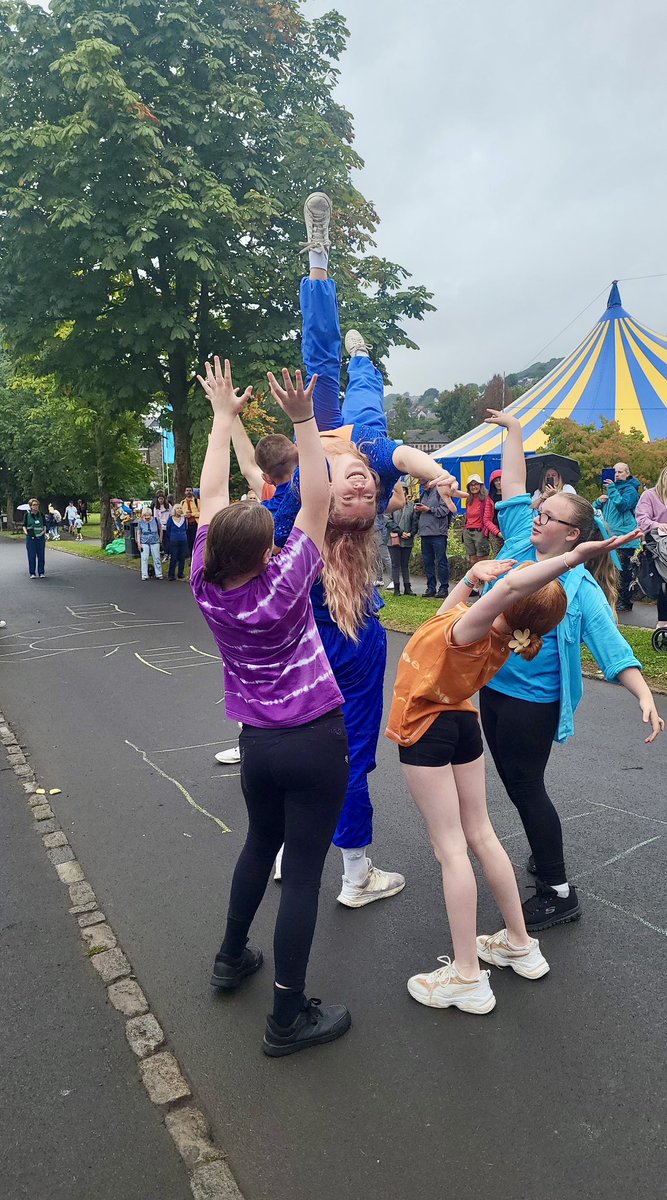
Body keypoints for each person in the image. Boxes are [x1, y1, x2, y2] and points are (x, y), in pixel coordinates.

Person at [270, 191, 458, 907]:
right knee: (368, 397)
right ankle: (352, 873)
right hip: (347, 635)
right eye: (361, 488)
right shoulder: (361, 465)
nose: (358, 485)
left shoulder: (307, 496)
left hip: (315, 634)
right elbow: (399, 453)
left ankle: (319, 264)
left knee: (322, 363)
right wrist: (434, 472)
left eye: (360, 486)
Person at [387, 528, 637, 1013]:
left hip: (427, 730)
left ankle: (466, 975)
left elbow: (506, 592)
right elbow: (445, 616)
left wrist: (573, 558)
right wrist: (471, 578)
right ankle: (520, 945)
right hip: (461, 724)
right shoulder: (494, 635)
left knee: (451, 849)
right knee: (481, 834)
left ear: (508, 599)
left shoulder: (476, 629)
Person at [193, 355, 352, 1057]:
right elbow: (317, 500)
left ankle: (231, 958)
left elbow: (211, 492)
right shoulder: (285, 582)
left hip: (257, 742)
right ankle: (288, 1016)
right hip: (315, 739)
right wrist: (304, 420)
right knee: (305, 874)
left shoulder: (205, 582)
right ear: (264, 553)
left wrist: (221, 418)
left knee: (260, 843)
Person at [477, 410, 664, 930]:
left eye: (549, 515)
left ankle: (558, 891)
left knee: (526, 787)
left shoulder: (580, 589)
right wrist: (514, 432)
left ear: (573, 534)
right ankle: (544, 853)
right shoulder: (520, 542)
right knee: (517, 784)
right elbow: (515, 487)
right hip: (491, 689)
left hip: (531, 707)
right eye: (540, 510)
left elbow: (614, 653)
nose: (537, 516)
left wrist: (644, 695)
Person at [594, 463, 641, 611]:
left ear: (628, 474)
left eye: (620, 472)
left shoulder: (630, 489)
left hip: (626, 538)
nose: (617, 474)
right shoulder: (612, 489)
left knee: (624, 572)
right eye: (615, 472)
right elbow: (596, 510)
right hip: (610, 536)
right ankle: (613, 599)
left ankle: (626, 602)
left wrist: (612, 489)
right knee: (610, 570)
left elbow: (623, 505)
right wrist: (598, 501)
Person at [636, 465, 667, 630]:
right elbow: (642, 519)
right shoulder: (650, 495)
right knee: (663, 582)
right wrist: (658, 525)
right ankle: (662, 622)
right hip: (657, 543)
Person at [415, 482, 455, 598]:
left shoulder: (440, 492)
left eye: (425, 483)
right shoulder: (423, 495)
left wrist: (428, 509)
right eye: (421, 484)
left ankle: (443, 587)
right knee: (428, 562)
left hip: (438, 533)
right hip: (425, 533)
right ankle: (431, 587)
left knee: (441, 561)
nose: (423, 485)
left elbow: (445, 510)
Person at [386, 487, 419, 595]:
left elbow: (415, 521)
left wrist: (412, 533)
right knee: (395, 564)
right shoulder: (391, 506)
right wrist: (400, 532)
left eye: (404, 492)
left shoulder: (411, 506)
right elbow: (388, 520)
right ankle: (396, 588)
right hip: (394, 539)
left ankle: (407, 587)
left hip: (408, 539)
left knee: (405, 564)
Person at [460, 474, 490, 570]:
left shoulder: (486, 499)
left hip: (480, 531)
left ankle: (485, 578)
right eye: (471, 485)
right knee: (472, 560)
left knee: (482, 560)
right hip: (468, 531)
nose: (474, 487)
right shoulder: (468, 499)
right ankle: (475, 579)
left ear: (481, 485)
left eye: (476, 484)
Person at [136, 507, 163, 581]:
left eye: (148, 515)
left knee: (157, 558)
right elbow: (138, 533)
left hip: (155, 541)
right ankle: (144, 575)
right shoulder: (140, 522)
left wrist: (160, 539)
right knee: (144, 558)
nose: (147, 517)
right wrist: (139, 543)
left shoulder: (156, 520)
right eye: (145, 516)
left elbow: (160, 529)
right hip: (144, 541)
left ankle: (159, 573)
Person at [23, 498, 47, 577]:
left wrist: (44, 532)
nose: (36, 506)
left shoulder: (41, 515)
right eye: (34, 505)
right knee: (31, 556)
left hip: (40, 538)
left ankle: (41, 572)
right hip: (31, 538)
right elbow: (24, 525)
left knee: (41, 556)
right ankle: (32, 573)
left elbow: (44, 525)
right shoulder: (27, 515)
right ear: (31, 506)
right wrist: (26, 533)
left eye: (37, 505)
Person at [483, 469, 504, 557]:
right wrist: (497, 533)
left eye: (500, 480)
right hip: (495, 532)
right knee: (499, 557)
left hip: (510, 530)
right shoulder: (490, 498)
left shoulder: (511, 496)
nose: (498, 482)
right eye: (496, 481)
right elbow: (486, 519)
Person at [165, 503, 188, 580]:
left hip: (183, 540)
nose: (179, 510)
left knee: (182, 558)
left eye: (180, 508)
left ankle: (180, 573)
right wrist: (172, 537)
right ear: (174, 510)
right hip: (174, 541)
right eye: (177, 508)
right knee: (174, 558)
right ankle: (171, 575)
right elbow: (168, 530)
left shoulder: (184, 519)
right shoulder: (170, 519)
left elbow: (186, 528)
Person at [180, 486, 200, 556]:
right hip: (186, 525)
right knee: (188, 541)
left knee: (196, 540)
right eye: (187, 490)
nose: (189, 492)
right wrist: (185, 515)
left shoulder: (197, 501)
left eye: (190, 490)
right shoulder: (182, 502)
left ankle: (196, 555)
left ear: (192, 492)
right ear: (185, 492)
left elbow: (202, 512)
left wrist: (192, 514)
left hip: (195, 524)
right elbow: (180, 514)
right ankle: (191, 556)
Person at [153, 491, 173, 559]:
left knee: (169, 540)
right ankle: (166, 553)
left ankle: (170, 553)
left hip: (168, 524)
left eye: (162, 499)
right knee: (163, 540)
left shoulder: (168, 506)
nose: (161, 500)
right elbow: (156, 517)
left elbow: (171, 515)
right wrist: (159, 526)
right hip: (161, 526)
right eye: (159, 499)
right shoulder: (156, 507)